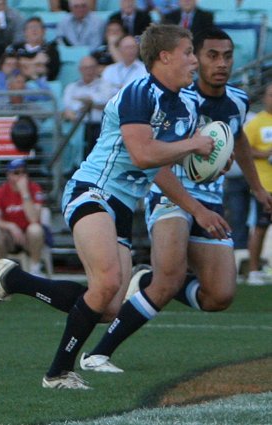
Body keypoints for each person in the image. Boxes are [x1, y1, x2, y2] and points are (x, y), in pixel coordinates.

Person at [0, 24, 230, 390]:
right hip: (91, 190)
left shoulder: (188, 105)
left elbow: (159, 167)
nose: (195, 60)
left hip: (124, 206)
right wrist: (193, 146)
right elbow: (143, 153)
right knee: (109, 281)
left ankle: (13, 279)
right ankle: (58, 373)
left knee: (108, 306)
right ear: (165, 57)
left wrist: (199, 205)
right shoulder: (138, 93)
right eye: (189, 52)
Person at [77, 27, 272, 373]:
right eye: (210, 55)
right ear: (192, 56)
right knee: (169, 278)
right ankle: (98, 354)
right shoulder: (178, 96)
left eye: (227, 56)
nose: (220, 64)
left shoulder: (238, 99)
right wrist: (190, 204)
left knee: (220, 296)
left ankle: (147, 280)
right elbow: (153, 158)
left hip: (210, 197)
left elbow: (236, 136)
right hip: (169, 192)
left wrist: (255, 186)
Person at [0, 159, 47, 276]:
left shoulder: (34, 188)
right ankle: (3, 269)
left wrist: (24, 193)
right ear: (8, 175)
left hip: (29, 238)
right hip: (10, 238)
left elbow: (34, 219)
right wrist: (11, 226)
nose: (21, 176)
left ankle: (35, 269)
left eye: (23, 172)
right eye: (16, 173)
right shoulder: (1, 191)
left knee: (35, 229)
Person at [244, 82, 272, 285]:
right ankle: (253, 270)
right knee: (260, 227)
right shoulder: (256, 123)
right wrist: (263, 154)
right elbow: (243, 148)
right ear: (264, 98)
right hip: (265, 186)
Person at [62, 55, 115, 157]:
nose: (89, 71)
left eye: (91, 67)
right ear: (80, 70)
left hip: (99, 126)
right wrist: (89, 103)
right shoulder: (71, 87)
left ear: (96, 69)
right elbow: (68, 106)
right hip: (78, 125)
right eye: (85, 68)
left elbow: (105, 100)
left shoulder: (105, 85)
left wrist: (87, 101)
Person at [7, 16, 60, 81]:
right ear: (24, 32)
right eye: (30, 27)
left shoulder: (51, 49)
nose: (34, 30)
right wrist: (35, 62)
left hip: (41, 87)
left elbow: (51, 71)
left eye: (37, 27)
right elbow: (8, 67)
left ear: (44, 31)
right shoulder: (15, 48)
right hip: (16, 85)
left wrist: (23, 64)